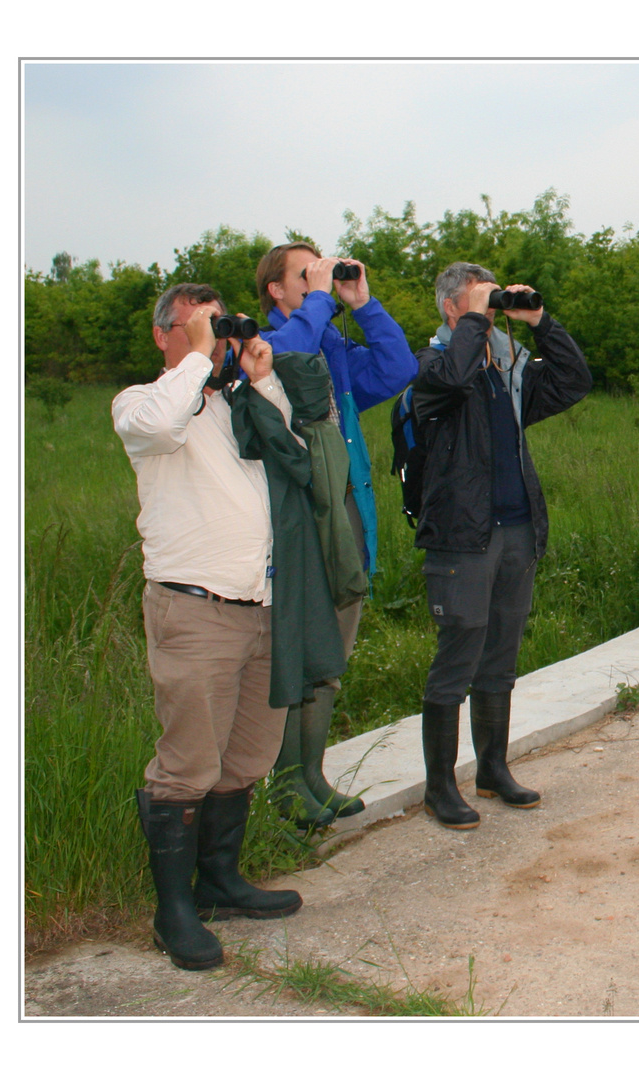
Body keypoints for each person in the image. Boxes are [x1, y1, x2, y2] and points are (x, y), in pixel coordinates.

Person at [112, 284, 304, 970]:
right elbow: (160, 428)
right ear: (166, 333)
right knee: (187, 764)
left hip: (261, 606)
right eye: (199, 325)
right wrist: (196, 355)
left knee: (245, 756)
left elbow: (290, 450)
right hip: (193, 609)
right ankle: (173, 913)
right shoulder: (144, 401)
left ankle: (220, 883)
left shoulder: (232, 404)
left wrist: (260, 376)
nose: (214, 337)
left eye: (216, 325)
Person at [409, 262, 592, 828]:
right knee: (456, 659)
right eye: (478, 301)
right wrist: (474, 321)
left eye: (493, 301)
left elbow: (573, 380)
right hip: (463, 538)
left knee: (500, 659)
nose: (490, 310)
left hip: (516, 531)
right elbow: (454, 377)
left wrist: (538, 320)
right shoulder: (432, 366)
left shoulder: (508, 369)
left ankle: (492, 769)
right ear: (451, 310)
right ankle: (440, 787)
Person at [255, 242, 418, 824]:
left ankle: (312, 776)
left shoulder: (327, 340)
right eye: (306, 273)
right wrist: (321, 302)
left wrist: (363, 304)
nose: (320, 278)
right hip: (300, 521)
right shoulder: (268, 341)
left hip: (347, 511)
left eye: (322, 268)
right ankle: (283, 787)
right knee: (302, 649)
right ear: (276, 289)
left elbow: (399, 370)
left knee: (333, 652)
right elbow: (276, 362)